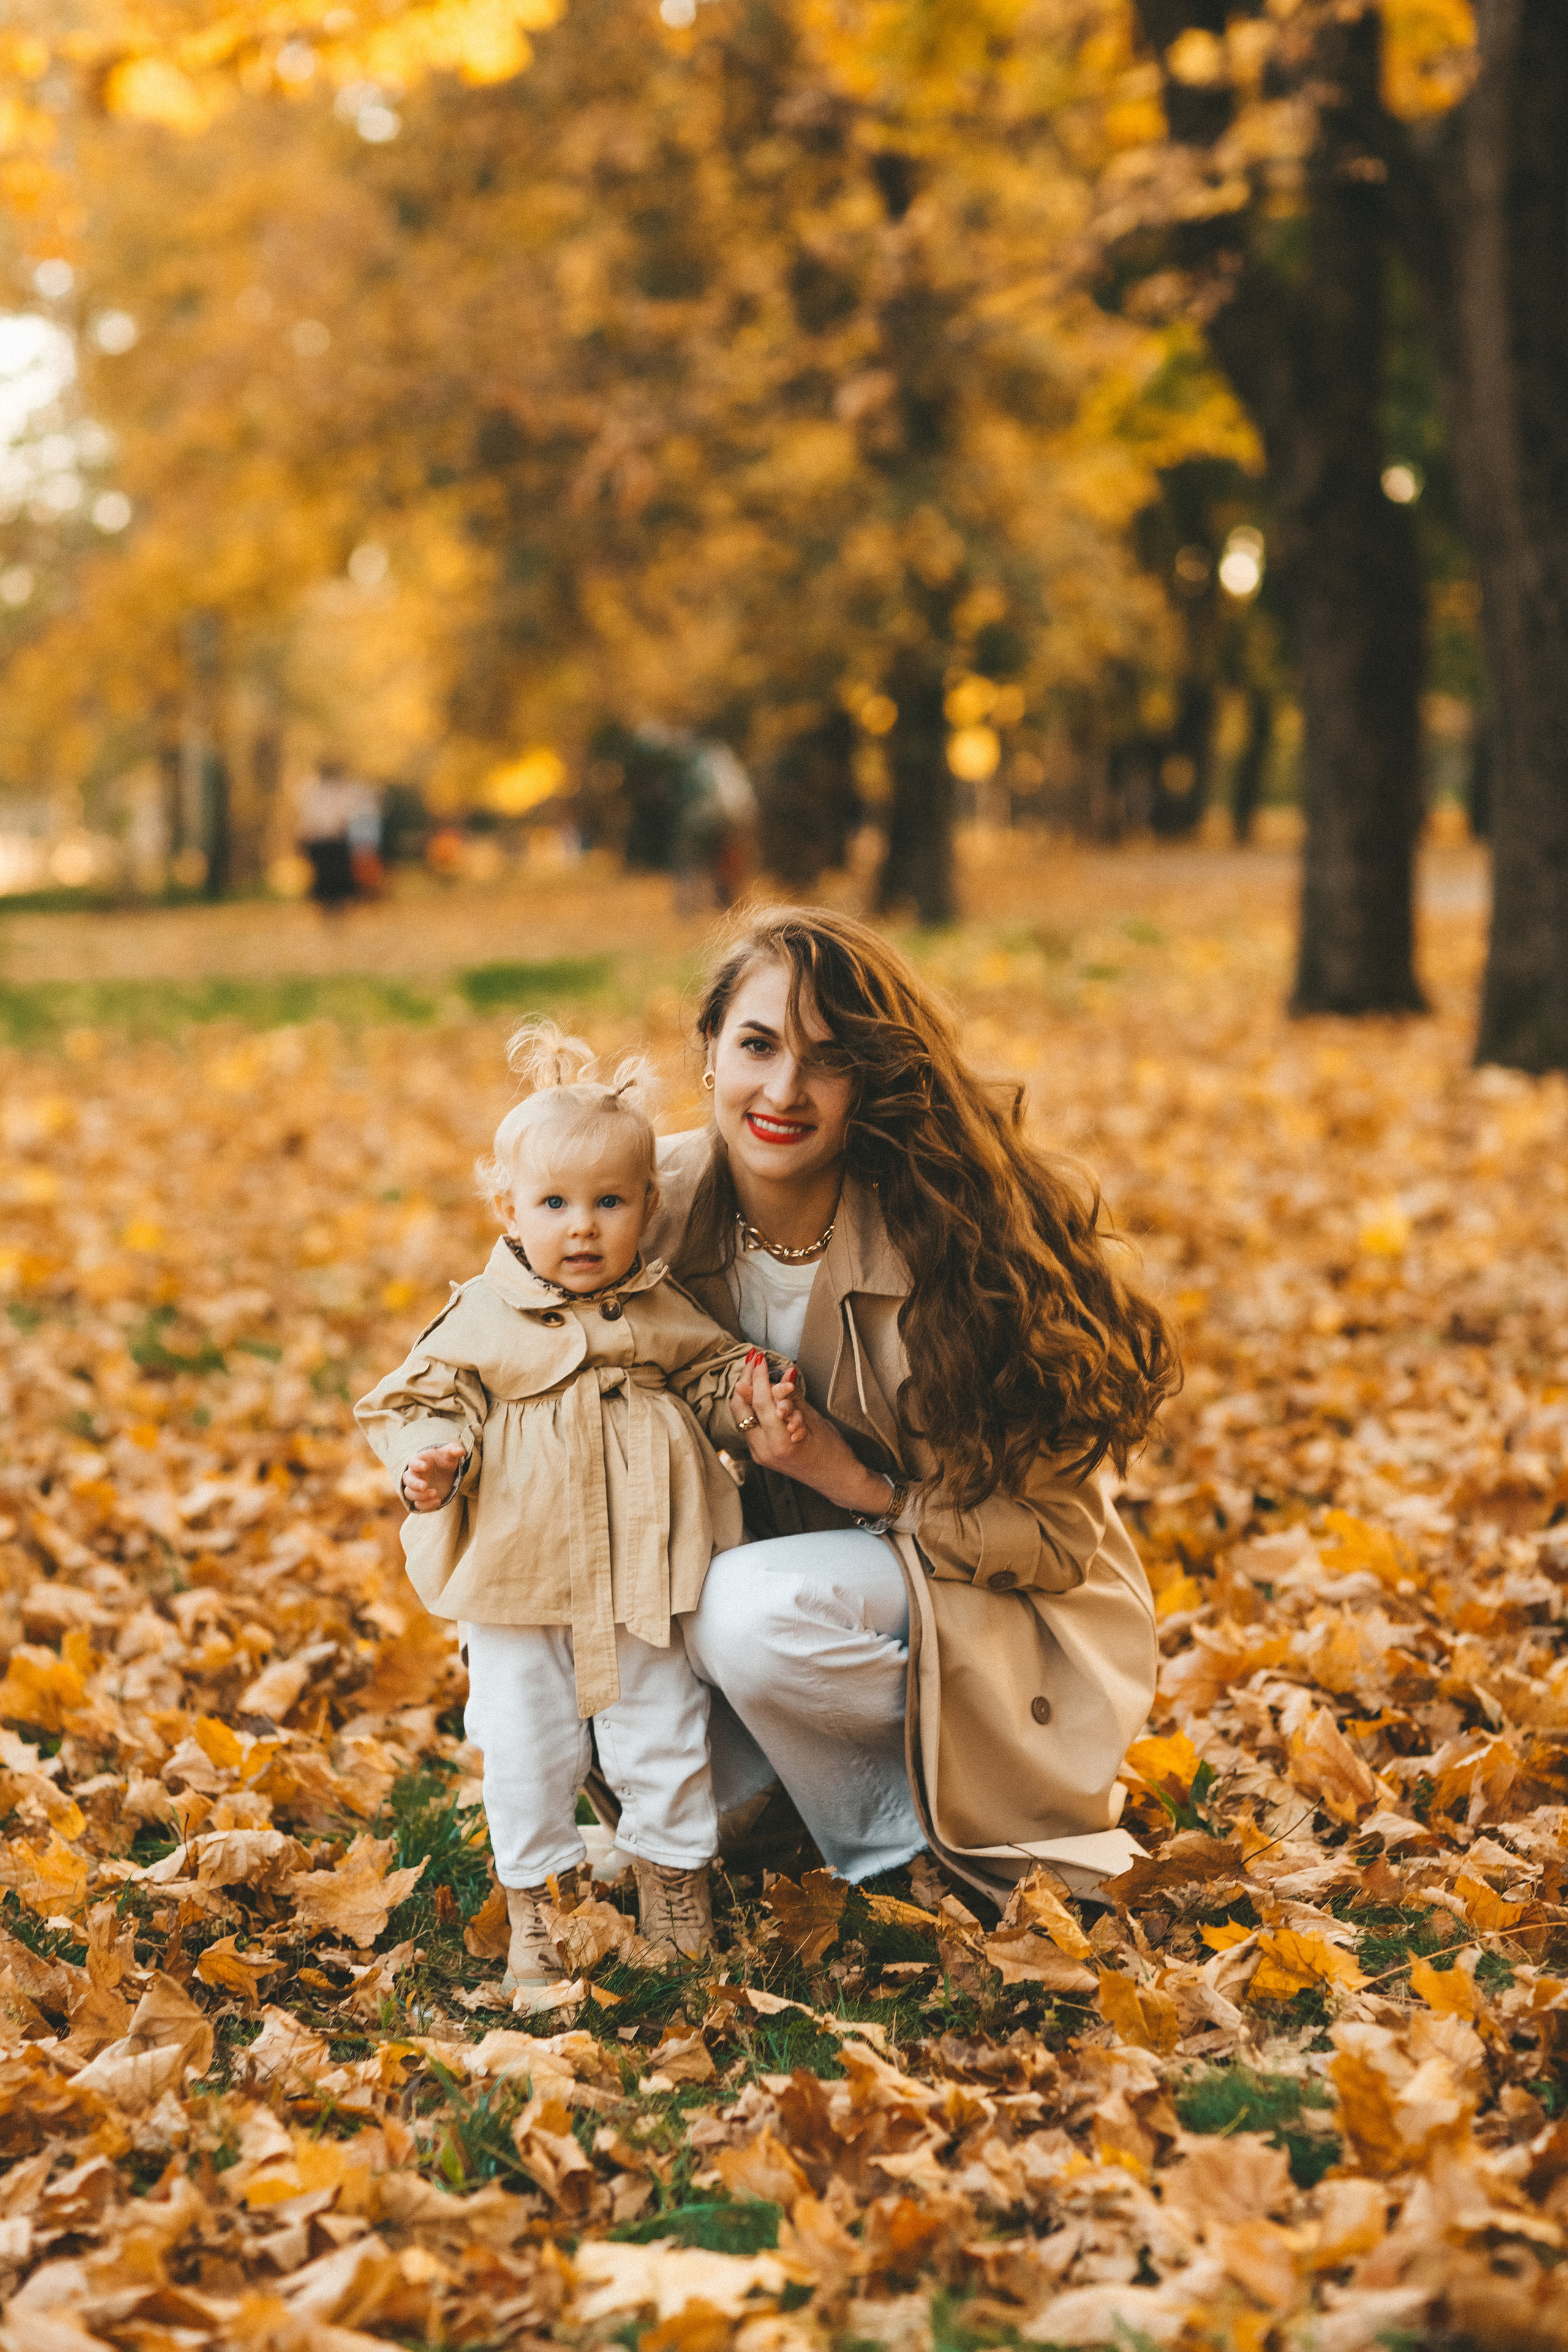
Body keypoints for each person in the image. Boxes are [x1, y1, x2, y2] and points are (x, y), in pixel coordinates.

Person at [636, 908, 1178, 1909]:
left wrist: (851, 1481)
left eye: (828, 1061)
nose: (784, 1091)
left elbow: (1051, 1538)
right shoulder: (643, 1206)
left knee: (751, 1614)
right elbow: (506, 1345)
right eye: (757, 1045)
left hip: (981, 1600)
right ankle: (799, 1804)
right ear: (709, 1050)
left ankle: (902, 1859)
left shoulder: (958, 1240)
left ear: (872, 1084)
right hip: (761, 1583)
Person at [355, 1025, 797, 1989]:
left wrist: (749, 1396)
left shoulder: (659, 1306)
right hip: (521, 1581)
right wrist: (432, 1461)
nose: (584, 1228)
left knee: (664, 1731)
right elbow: (420, 1399)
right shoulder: (481, 1313)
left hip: (643, 1569)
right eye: (556, 1204)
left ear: (648, 1206)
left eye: (609, 1203)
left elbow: (713, 1371)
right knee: (523, 1742)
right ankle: (540, 1906)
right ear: (511, 1209)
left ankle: (673, 1886)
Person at [296, 761, 382, 911]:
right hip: (321, 838)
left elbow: (349, 812)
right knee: (324, 873)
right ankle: (327, 903)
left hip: (334, 838)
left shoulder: (340, 789)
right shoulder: (312, 789)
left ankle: (337, 902)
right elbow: (308, 814)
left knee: (336, 873)